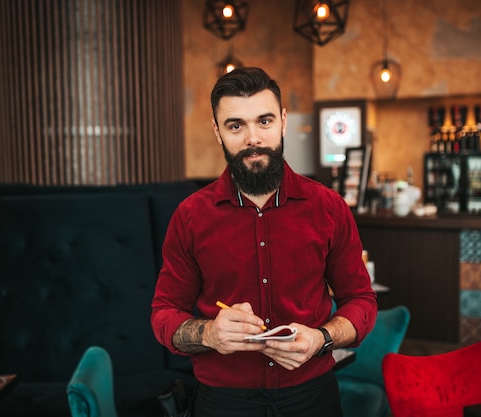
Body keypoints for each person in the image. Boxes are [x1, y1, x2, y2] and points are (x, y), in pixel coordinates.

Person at [151, 67, 377, 417]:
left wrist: (321, 338)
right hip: (223, 401)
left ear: (283, 121)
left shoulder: (329, 208)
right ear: (217, 131)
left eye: (265, 121)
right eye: (236, 125)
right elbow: (164, 315)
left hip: (311, 394)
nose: (252, 138)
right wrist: (209, 333)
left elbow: (361, 301)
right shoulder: (190, 216)